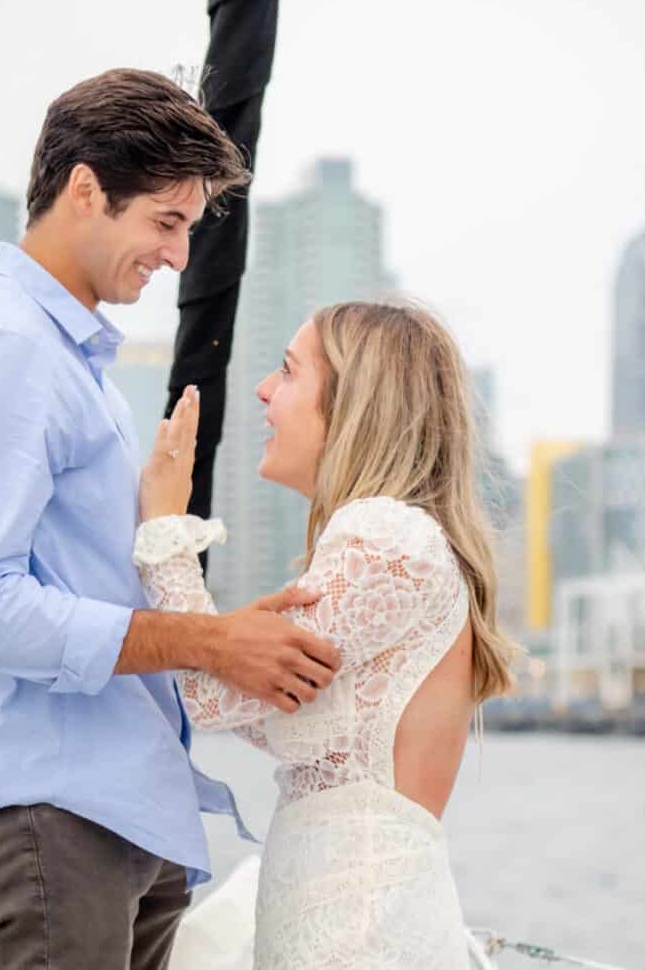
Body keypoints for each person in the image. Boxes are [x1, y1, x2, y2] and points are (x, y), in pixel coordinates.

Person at [0, 68, 341, 970]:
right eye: (167, 223)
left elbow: (70, 578)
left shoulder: (68, 362)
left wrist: (167, 545)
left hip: (115, 809)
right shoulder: (10, 350)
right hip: (53, 817)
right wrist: (208, 642)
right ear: (86, 189)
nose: (179, 258)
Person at [136, 301, 518, 969]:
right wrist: (238, 645)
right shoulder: (387, 537)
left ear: (354, 404)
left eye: (287, 372)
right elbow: (264, 712)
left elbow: (207, 701)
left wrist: (166, 533)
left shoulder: (385, 536)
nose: (262, 389)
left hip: (359, 931)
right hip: (342, 919)